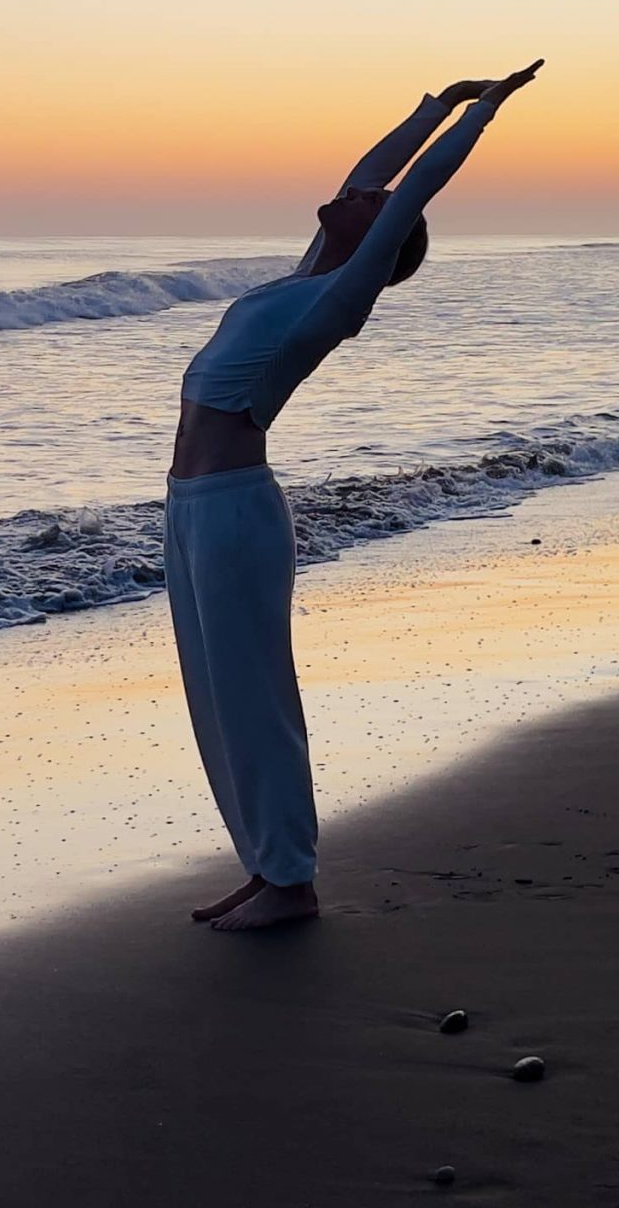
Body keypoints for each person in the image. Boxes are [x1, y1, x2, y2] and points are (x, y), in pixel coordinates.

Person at [164, 60, 543, 931]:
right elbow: (368, 181)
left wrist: (481, 117)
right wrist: (428, 106)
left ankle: (292, 881)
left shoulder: (337, 297)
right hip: (187, 510)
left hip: (234, 511)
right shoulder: (305, 274)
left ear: (383, 244)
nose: (360, 193)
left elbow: (409, 195)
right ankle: (265, 867)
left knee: (256, 694)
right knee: (216, 695)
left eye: (377, 204)